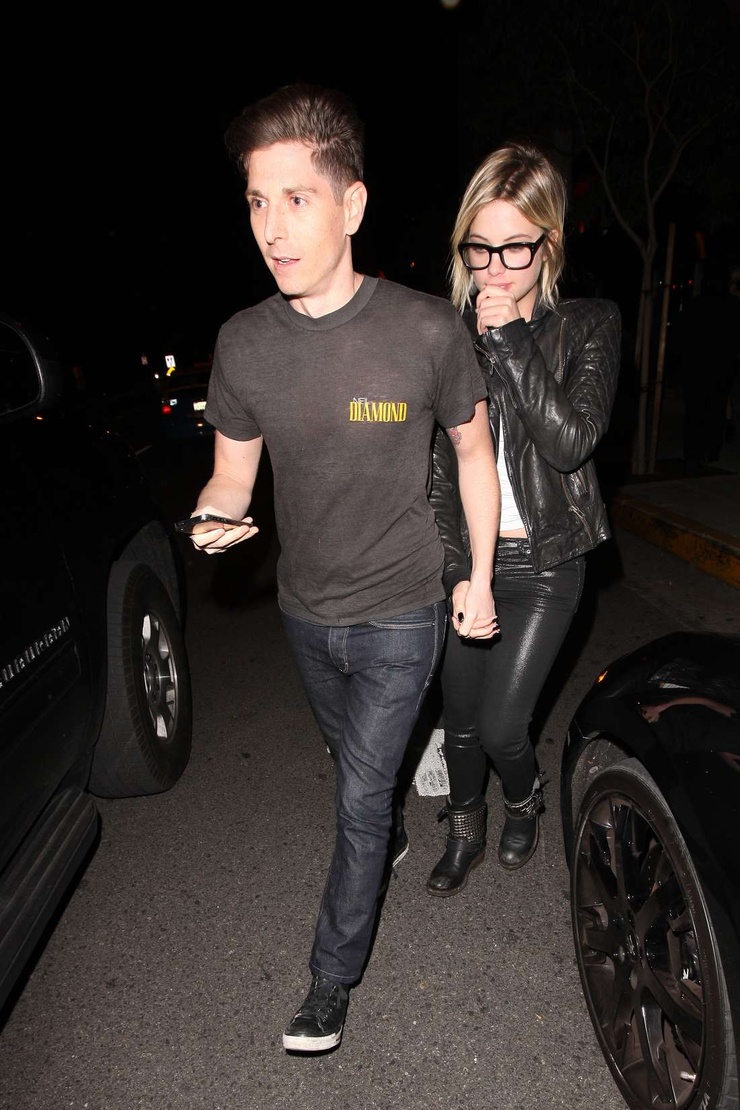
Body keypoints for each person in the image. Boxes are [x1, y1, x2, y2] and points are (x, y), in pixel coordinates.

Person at [184, 83, 500, 1052]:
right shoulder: (243, 344)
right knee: (354, 767)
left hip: (403, 605)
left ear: (351, 205)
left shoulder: (425, 331)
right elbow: (231, 476)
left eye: (296, 199)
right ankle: (389, 822)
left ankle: (330, 980)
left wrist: (479, 577)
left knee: (357, 797)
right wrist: (212, 516)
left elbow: (474, 454)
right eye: (256, 202)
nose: (271, 229)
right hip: (304, 611)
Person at [426, 141, 621, 896]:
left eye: (515, 248)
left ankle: (522, 798)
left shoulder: (590, 325)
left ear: (550, 242)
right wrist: (457, 574)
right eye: (479, 248)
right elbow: (440, 474)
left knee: (504, 725)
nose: (495, 269)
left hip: (548, 562)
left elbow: (570, 444)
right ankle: (465, 824)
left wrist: (510, 339)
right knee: (459, 717)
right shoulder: (447, 337)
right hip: (473, 561)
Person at [673, 262, 740, 475]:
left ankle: (693, 453)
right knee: (716, 407)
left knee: (695, 410)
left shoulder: (694, 305)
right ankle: (710, 449)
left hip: (696, 365)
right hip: (722, 365)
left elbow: (680, 336)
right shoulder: (733, 306)